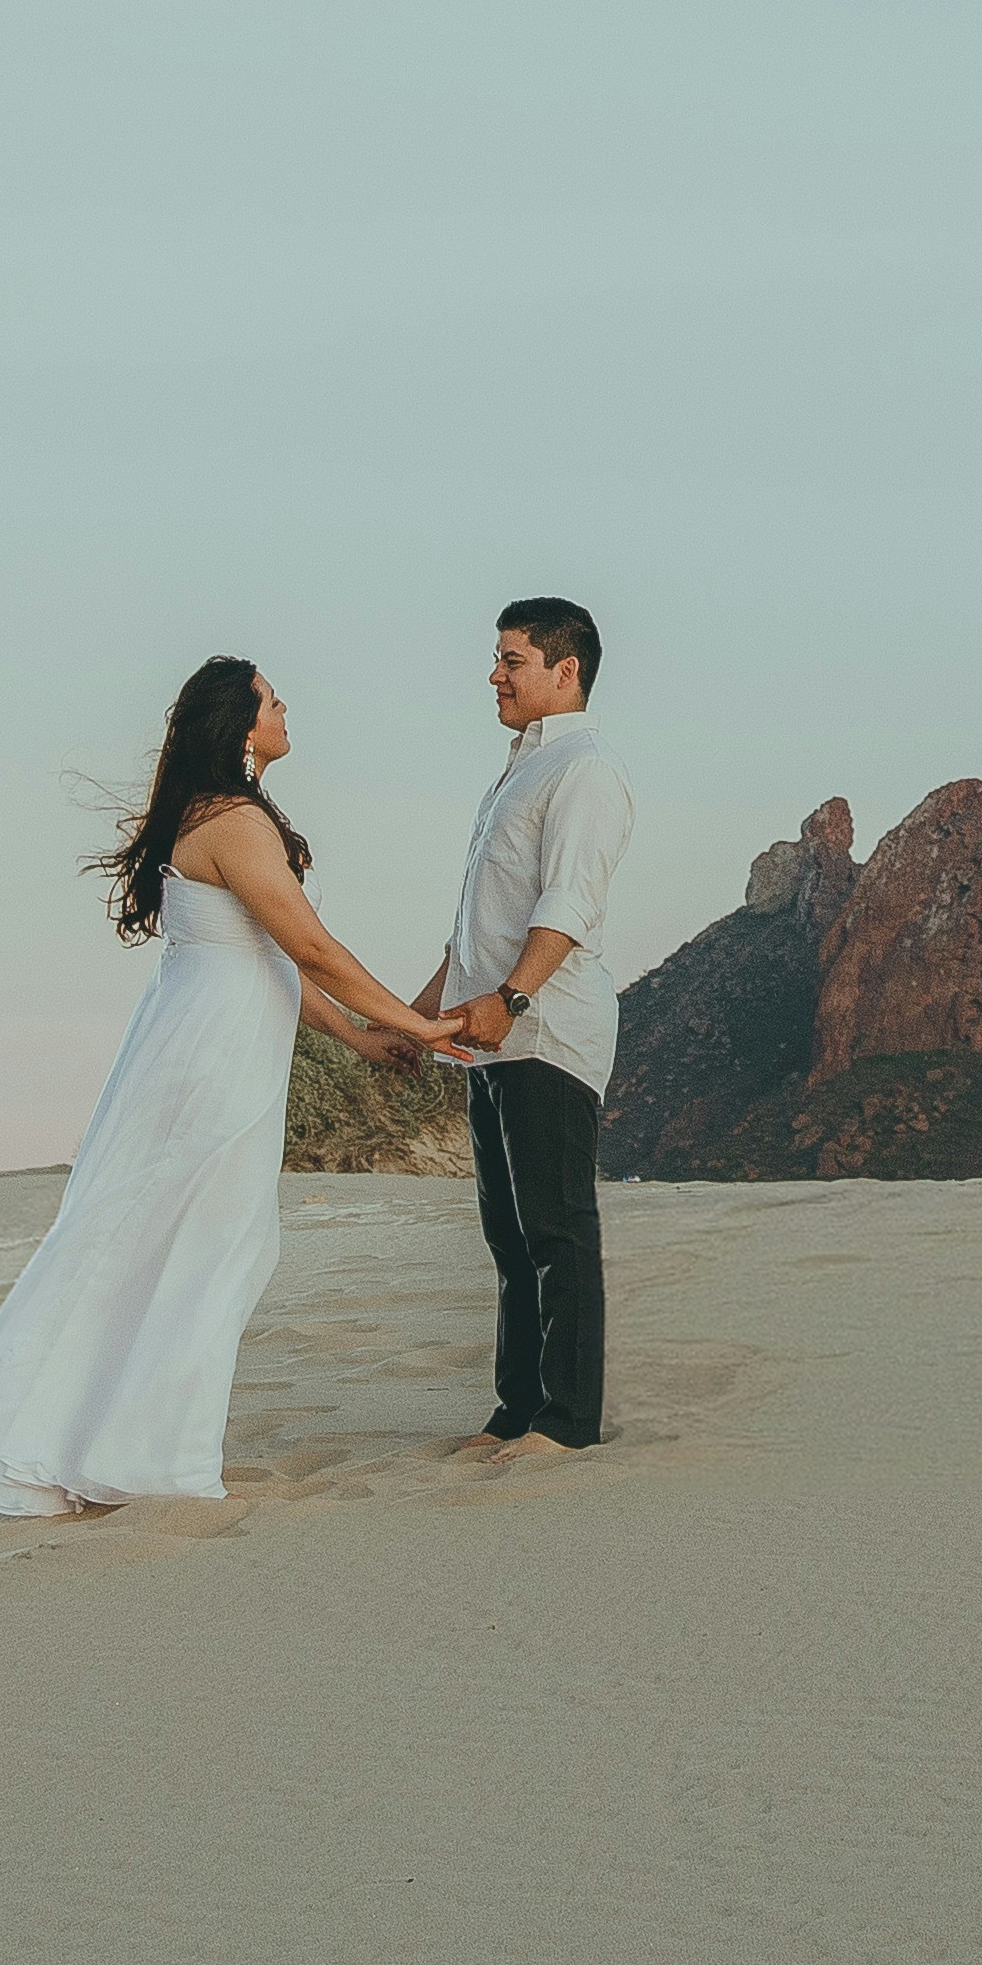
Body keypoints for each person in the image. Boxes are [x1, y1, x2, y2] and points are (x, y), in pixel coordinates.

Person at [0, 655, 455, 1516]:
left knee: (203, 1248)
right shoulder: (232, 821)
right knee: (200, 1249)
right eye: (273, 700)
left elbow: (270, 969)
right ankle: (146, 1464)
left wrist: (363, 1038)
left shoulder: (226, 813)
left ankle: (122, 1451)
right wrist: (420, 1023)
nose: (288, 709)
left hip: (217, 1040)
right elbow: (310, 949)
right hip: (209, 1058)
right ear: (241, 724)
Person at [416, 596, 635, 1462]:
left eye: (512, 660)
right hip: (486, 1036)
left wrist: (508, 1001)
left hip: (546, 1033)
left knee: (556, 1231)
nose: (495, 675)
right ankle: (515, 1411)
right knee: (508, 1237)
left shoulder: (585, 769)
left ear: (565, 669)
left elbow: (567, 906)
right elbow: (474, 924)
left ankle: (567, 1424)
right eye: (499, 659)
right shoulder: (517, 770)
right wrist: (420, 1018)